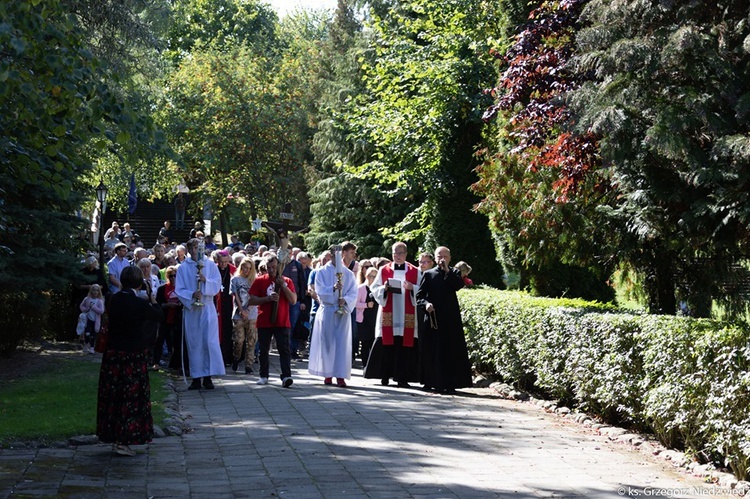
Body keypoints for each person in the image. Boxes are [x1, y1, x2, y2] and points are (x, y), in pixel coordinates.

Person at [96, 265, 163, 457]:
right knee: (130, 398)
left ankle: (112, 434)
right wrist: (152, 298)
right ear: (140, 282)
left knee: (113, 396)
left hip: (113, 355)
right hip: (132, 355)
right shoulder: (139, 304)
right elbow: (158, 315)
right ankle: (124, 439)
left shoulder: (113, 299)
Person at [416, 246, 473, 394]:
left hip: (450, 319)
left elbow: (458, 285)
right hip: (433, 318)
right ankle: (429, 381)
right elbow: (420, 296)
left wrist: (447, 270)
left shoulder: (454, 273)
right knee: (432, 350)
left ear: (449, 258)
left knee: (450, 351)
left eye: (445, 256)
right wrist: (426, 304)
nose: (442, 259)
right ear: (434, 258)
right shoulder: (428, 274)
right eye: (439, 256)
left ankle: (450, 382)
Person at [363, 241, 420, 388]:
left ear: (406, 254)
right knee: (386, 345)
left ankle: (402, 378)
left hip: (406, 314)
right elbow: (374, 288)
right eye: (395, 253)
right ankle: (384, 376)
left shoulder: (414, 271)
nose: (397, 256)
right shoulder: (383, 270)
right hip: (389, 313)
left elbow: (422, 289)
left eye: (400, 253)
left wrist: (412, 287)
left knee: (404, 347)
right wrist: (385, 288)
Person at [175, 238, 226, 390]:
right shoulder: (184, 267)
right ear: (189, 250)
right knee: (195, 343)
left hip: (208, 307)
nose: (197, 251)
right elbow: (179, 289)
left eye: (200, 248)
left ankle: (208, 377)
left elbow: (217, 284)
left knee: (209, 342)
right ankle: (196, 377)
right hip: (192, 311)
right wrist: (192, 295)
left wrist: (205, 281)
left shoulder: (210, 265)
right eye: (194, 248)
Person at [308, 248, 358, 387]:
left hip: (342, 312)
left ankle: (340, 375)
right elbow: (319, 291)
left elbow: (354, 292)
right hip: (328, 310)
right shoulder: (322, 272)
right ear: (331, 256)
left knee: (342, 344)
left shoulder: (348, 273)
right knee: (328, 343)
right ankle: (327, 374)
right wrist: (333, 288)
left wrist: (346, 300)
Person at [247, 252, 297, 387]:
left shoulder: (287, 281)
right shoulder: (260, 280)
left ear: (279, 267)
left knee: (284, 349)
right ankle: (263, 375)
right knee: (263, 350)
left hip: (282, 321)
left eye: (274, 267)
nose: (271, 270)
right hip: (264, 321)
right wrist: (267, 299)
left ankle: (286, 376)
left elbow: (293, 300)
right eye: (269, 267)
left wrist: (283, 287)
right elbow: (251, 300)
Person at [230, 257, 258, 374]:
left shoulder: (254, 280)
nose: (246, 270)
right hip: (238, 314)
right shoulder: (235, 279)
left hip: (252, 314)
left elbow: (255, 297)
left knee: (251, 341)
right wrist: (241, 310)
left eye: (248, 268)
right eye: (244, 268)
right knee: (239, 340)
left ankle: (249, 365)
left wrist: (248, 309)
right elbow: (235, 295)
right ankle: (236, 358)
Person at [155, 266, 182, 371]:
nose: (173, 278)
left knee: (176, 341)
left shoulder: (181, 289)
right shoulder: (162, 289)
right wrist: (167, 305)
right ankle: (156, 362)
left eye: (175, 275)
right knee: (160, 339)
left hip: (177, 319)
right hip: (165, 318)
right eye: (171, 276)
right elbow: (158, 303)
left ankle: (175, 364)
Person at [213, 250, 236, 365]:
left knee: (227, 329)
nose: (223, 264)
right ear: (217, 260)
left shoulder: (232, 270)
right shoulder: (213, 269)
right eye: (221, 262)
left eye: (225, 262)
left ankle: (227, 357)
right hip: (216, 303)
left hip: (228, 303)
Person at [355, 264, 379, 368]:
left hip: (375, 319)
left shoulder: (378, 289)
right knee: (365, 343)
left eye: (375, 277)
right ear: (367, 276)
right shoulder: (361, 288)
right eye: (371, 276)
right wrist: (366, 305)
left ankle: (373, 365)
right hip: (364, 320)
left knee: (374, 343)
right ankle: (365, 365)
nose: (373, 279)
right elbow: (355, 303)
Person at [79, 284, 105, 354]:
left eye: (97, 291)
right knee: (87, 333)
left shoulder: (100, 301)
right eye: (93, 290)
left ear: (99, 292)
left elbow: (101, 311)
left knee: (93, 334)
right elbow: (81, 306)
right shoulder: (87, 299)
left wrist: (93, 307)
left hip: (95, 320)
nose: (95, 292)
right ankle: (86, 343)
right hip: (88, 319)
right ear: (91, 291)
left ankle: (92, 347)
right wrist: (86, 309)